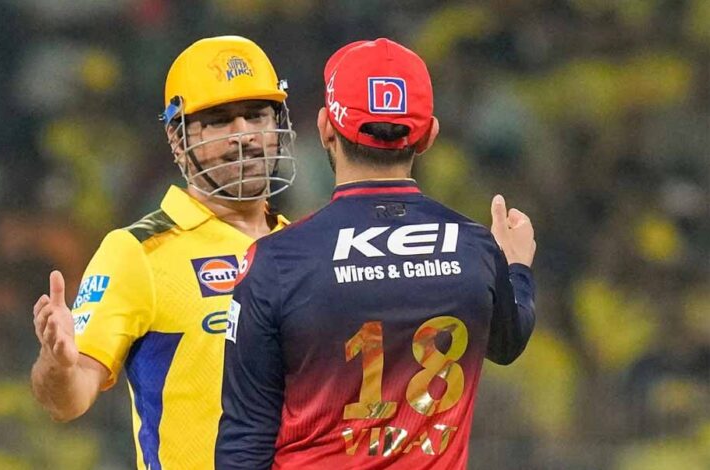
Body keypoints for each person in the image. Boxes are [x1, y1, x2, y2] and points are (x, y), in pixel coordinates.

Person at [216, 38, 537, 470]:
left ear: (326, 127)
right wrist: (516, 268)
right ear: (428, 136)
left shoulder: (276, 262)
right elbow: (507, 342)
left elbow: (243, 442)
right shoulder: (474, 248)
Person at [30, 35, 297, 470]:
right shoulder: (138, 252)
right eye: (219, 121)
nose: (243, 135)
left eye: (255, 115)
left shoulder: (304, 246)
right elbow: (68, 400)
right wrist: (55, 363)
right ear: (177, 136)